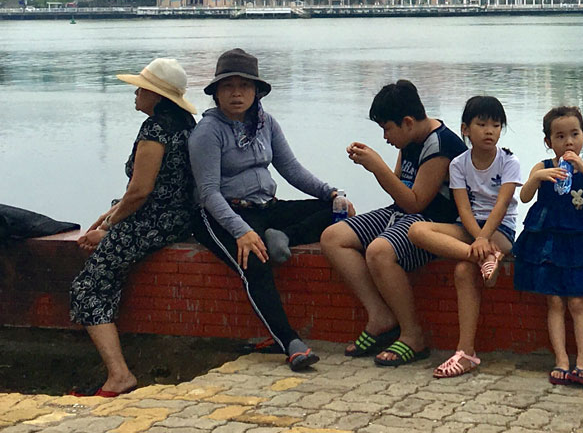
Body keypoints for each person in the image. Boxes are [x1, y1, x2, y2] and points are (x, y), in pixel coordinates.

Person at [188, 48, 351, 371]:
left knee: (336, 214)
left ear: (256, 91)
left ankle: (284, 236)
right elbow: (208, 193)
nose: (237, 93)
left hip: (266, 208)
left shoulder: (265, 123)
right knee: (256, 263)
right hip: (221, 215)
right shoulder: (207, 131)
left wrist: (331, 193)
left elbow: (291, 169)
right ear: (216, 93)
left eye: (244, 86)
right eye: (228, 86)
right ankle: (290, 343)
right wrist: (242, 232)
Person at [69, 57, 198, 397]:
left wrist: (109, 226)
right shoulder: (187, 126)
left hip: (153, 221)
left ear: (157, 96)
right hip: (178, 220)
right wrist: (109, 222)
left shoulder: (155, 130)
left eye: (142, 88)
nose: (136, 93)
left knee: (87, 290)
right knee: (105, 266)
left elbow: (140, 191)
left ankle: (119, 375)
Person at [320, 79, 465, 367]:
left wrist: (377, 167)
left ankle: (413, 335)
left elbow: (416, 202)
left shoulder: (441, 145)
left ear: (408, 122)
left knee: (379, 251)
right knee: (332, 237)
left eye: (388, 128)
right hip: (400, 212)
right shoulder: (410, 140)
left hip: (432, 221)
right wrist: (379, 167)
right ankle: (380, 316)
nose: (386, 137)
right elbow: (400, 187)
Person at [407, 95, 521, 378]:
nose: (489, 131)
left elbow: (502, 205)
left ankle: (465, 352)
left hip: (500, 230)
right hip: (469, 229)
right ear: (465, 129)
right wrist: (479, 244)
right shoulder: (458, 164)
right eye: (481, 124)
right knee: (416, 230)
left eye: (496, 125)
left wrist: (485, 237)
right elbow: (463, 207)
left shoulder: (509, 161)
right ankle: (483, 258)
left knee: (462, 271)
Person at [512, 106, 583, 387]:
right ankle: (561, 359)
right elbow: (525, 196)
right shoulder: (543, 167)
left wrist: (582, 169)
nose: (568, 141)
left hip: (578, 242)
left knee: (578, 301)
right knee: (553, 300)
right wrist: (536, 178)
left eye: (574, 134)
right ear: (548, 141)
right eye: (560, 136)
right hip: (549, 243)